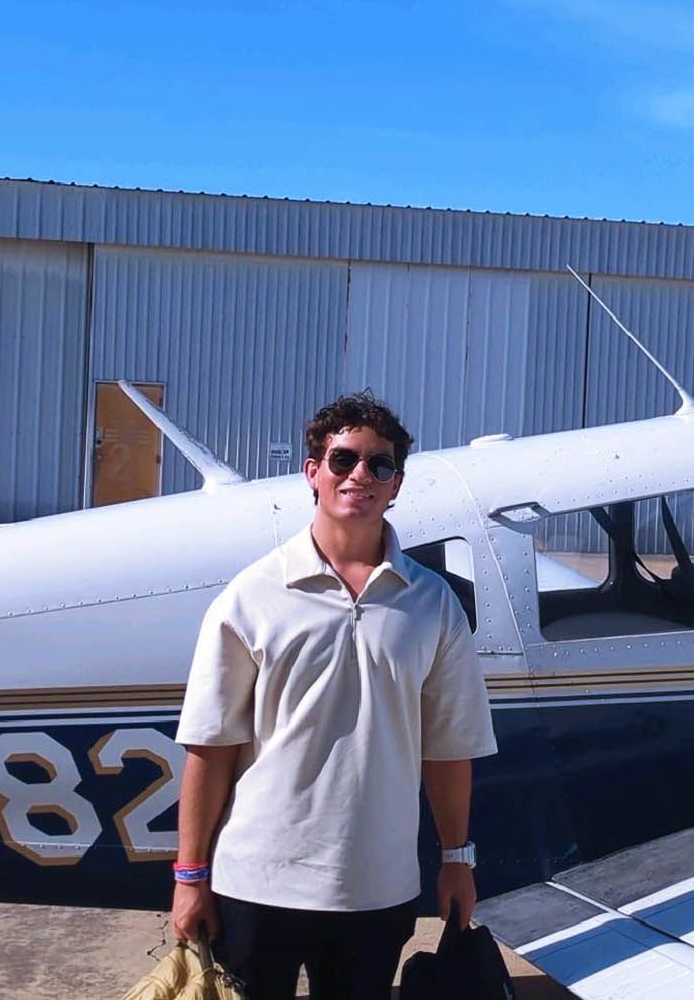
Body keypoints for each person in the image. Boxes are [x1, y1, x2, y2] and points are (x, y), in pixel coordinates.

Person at [171, 393, 497, 1000]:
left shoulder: (432, 603)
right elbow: (211, 747)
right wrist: (190, 875)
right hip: (256, 884)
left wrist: (458, 858)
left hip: (377, 889)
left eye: (380, 464)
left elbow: (450, 748)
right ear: (312, 471)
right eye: (343, 459)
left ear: (397, 484)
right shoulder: (251, 596)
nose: (360, 476)